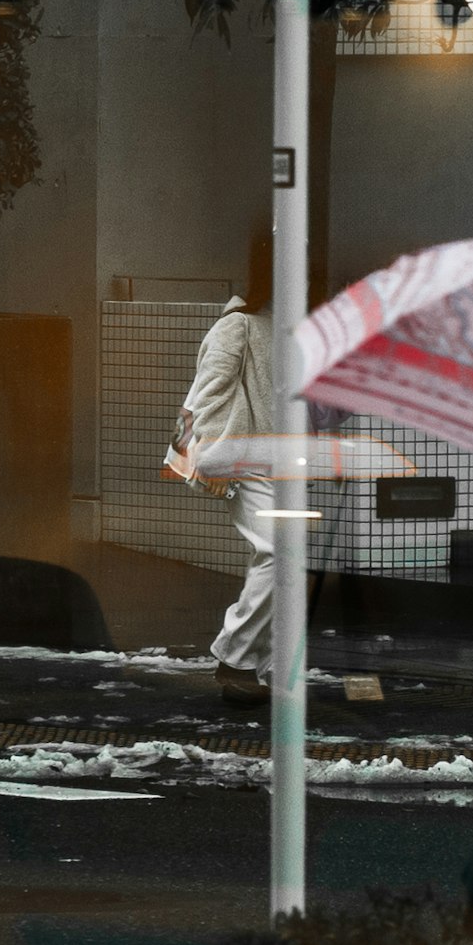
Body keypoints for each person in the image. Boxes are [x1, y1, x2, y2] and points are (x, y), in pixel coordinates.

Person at [168, 279, 280, 711]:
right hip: (243, 457)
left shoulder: (290, 325)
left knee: (284, 560)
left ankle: (255, 669)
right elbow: (209, 395)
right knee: (279, 552)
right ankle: (235, 658)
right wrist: (211, 460)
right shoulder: (240, 324)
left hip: (280, 460)